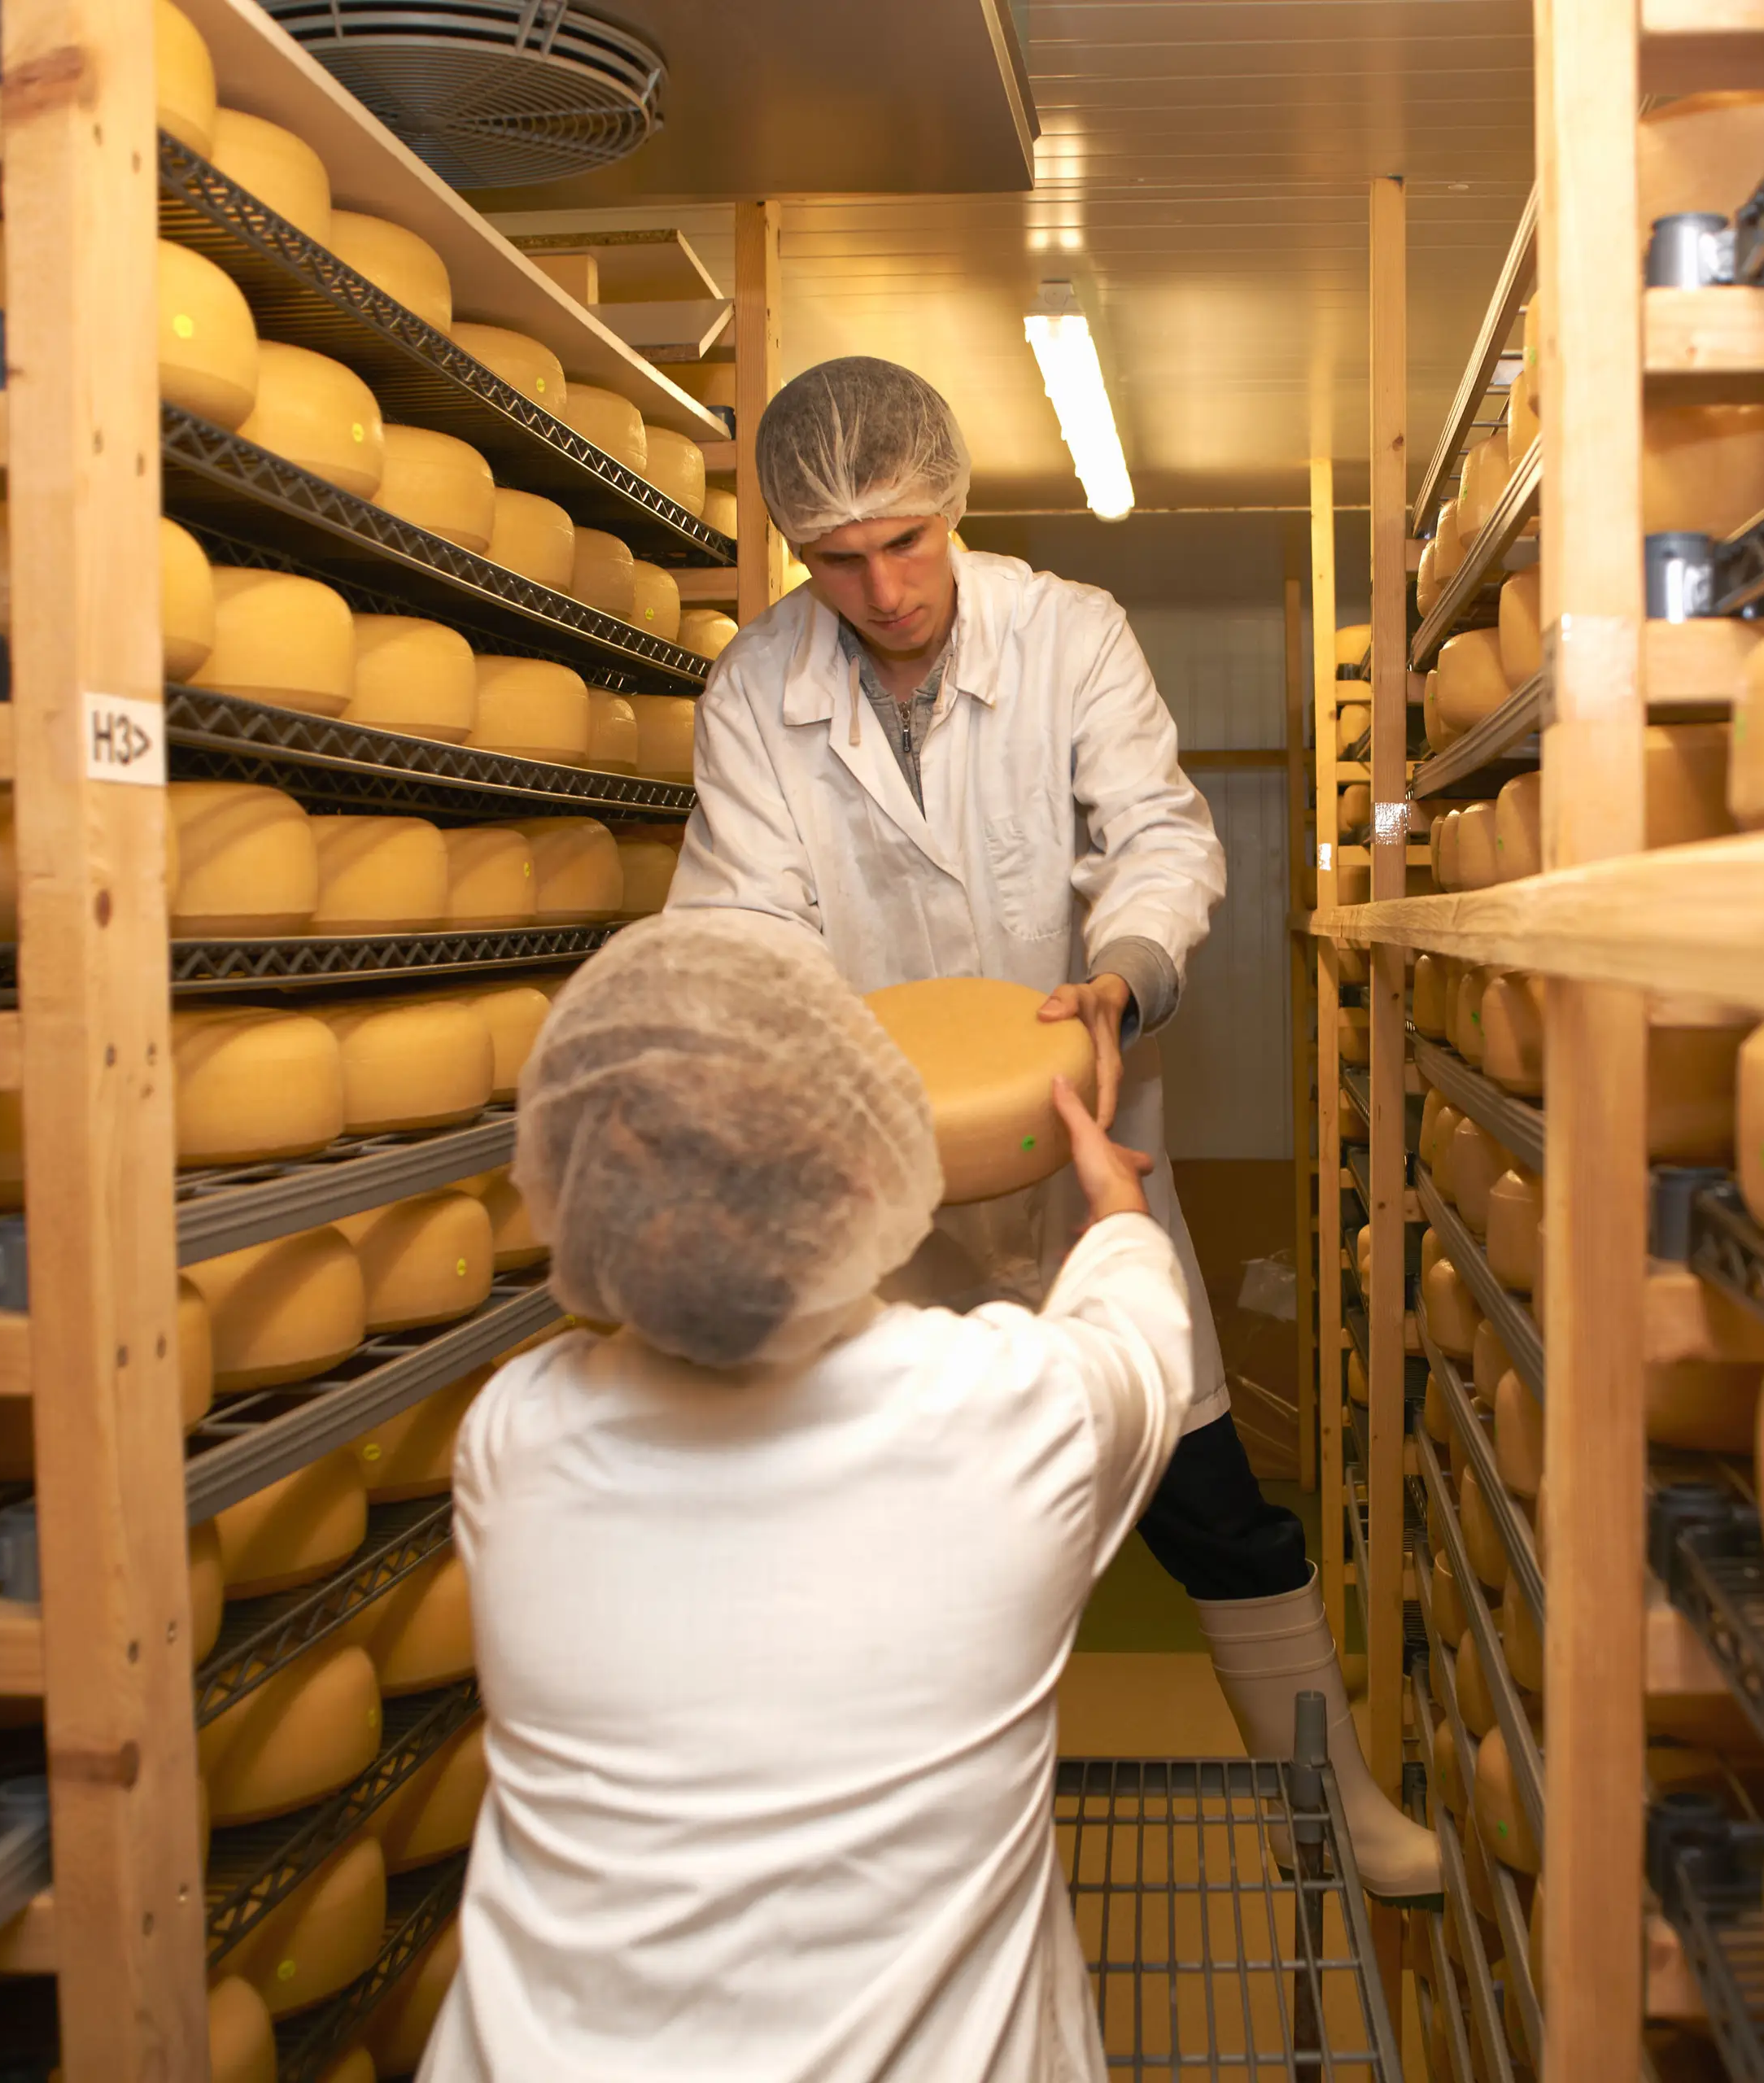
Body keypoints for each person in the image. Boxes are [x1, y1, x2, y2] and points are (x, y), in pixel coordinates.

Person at [669, 355, 1438, 1899]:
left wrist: (1123, 975)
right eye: (837, 558)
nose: (881, 588)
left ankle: (1328, 1809)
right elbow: (745, 918)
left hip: (1088, 1167)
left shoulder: (1066, 630)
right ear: (798, 555)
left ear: (950, 506)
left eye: (906, 542)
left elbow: (1154, 831)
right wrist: (802, 1060)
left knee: (1207, 1504)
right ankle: (910, 1862)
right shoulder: (760, 688)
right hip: (882, 1185)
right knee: (882, 1529)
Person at [425, 910, 1190, 2081]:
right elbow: (1142, 1339)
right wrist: (1114, 1210)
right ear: (873, 1163)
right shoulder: (1003, 1422)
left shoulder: (514, 1441)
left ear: (577, 1188)